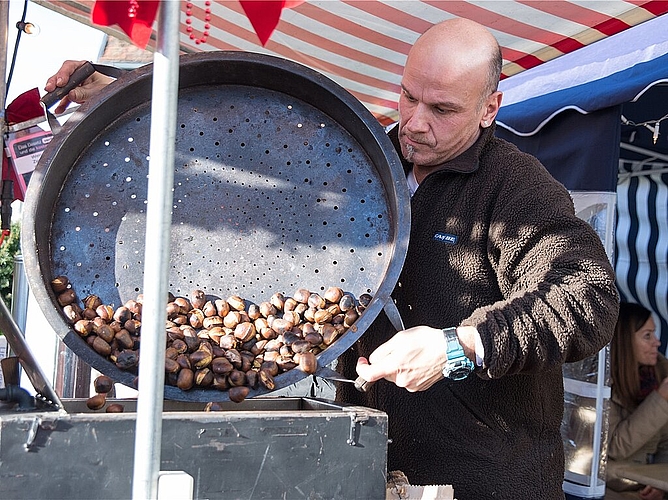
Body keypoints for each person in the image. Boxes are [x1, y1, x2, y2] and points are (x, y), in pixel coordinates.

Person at [44, 18, 620, 500]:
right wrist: (130, 91)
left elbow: (588, 298)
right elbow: (246, 134)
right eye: (408, 96)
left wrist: (458, 347)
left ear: (490, 109)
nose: (415, 122)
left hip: (484, 482)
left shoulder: (515, 190)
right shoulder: (362, 160)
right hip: (362, 469)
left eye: (442, 109)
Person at [606, 302, 668, 500]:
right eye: (647, 335)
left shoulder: (660, 372)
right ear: (625, 340)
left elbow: (667, 443)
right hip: (613, 489)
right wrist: (661, 400)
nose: (657, 343)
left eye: (655, 334)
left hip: (651, 486)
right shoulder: (603, 383)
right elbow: (615, 447)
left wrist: (660, 485)